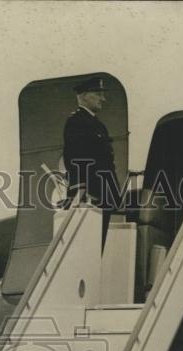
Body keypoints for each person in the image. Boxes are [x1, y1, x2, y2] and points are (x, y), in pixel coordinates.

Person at [63, 76, 119, 249]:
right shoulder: (76, 122)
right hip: (89, 195)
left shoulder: (98, 125)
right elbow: (73, 158)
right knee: (87, 247)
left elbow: (106, 163)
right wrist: (81, 192)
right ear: (84, 95)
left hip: (103, 194)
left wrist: (114, 195)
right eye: (98, 93)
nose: (103, 98)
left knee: (97, 247)